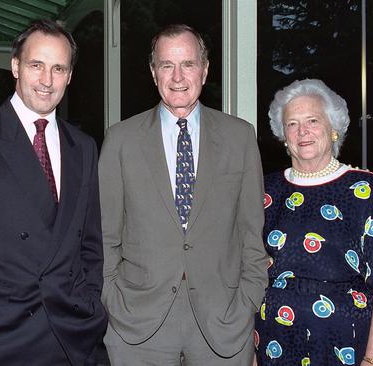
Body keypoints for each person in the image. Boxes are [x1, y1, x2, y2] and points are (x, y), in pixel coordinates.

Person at [0, 19, 107, 365]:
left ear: (69, 76)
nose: (46, 80)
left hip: (69, 336)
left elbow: (90, 243)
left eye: (58, 68)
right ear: (15, 66)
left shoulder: (83, 147)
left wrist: (88, 300)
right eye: (36, 65)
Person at [99, 24, 269, 365]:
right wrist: (113, 299)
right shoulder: (120, 140)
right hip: (138, 324)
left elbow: (251, 230)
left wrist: (248, 300)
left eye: (188, 64)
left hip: (223, 320)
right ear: (153, 72)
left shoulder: (239, 137)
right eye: (166, 65)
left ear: (204, 71)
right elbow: (104, 235)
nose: (178, 76)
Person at [254, 79, 373, 366]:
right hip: (272, 343)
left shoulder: (368, 190)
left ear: (333, 128)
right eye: (292, 123)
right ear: (283, 136)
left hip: (344, 346)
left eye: (313, 120)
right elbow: (247, 270)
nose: (302, 131)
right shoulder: (265, 191)